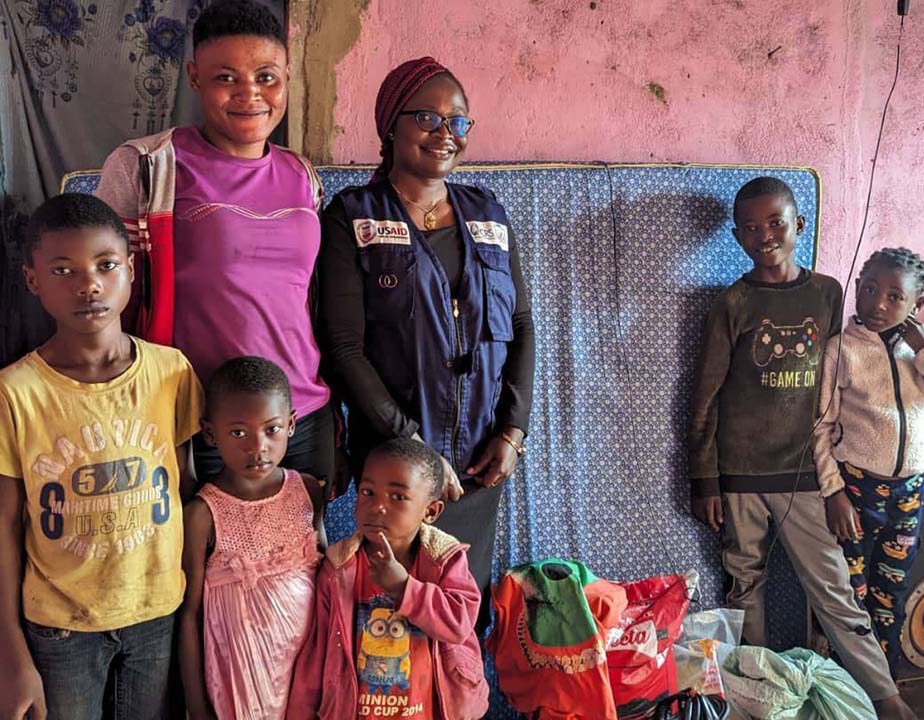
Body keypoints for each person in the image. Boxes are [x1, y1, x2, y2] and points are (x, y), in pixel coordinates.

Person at [687, 177, 916, 719]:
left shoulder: (829, 294)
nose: (763, 235)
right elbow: (705, 396)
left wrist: (836, 478)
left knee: (833, 588)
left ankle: (886, 696)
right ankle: (764, 697)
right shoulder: (733, 302)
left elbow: (841, 381)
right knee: (745, 588)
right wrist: (705, 479)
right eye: (749, 228)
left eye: (775, 223)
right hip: (740, 476)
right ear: (738, 237)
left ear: (799, 226)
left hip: (808, 475)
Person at [319, 57, 535, 630]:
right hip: (396, 466)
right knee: (390, 618)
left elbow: (521, 324)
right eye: (428, 118)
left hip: (476, 465)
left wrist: (513, 432)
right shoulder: (352, 217)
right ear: (390, 126)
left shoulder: (487, 212)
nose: (446, 135)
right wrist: (413, 448)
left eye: (458, 122)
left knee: (458, 616)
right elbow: (342, 347)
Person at [95, 0, 336, 509]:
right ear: (195, 78)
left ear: (288, 77)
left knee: (296, 576)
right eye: (227, 77)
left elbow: (306, 299)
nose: (250, 94)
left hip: (298, 416)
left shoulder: (303, 176)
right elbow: (102, 300)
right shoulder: (149, 166)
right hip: (199, 419)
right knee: (202, 575)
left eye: (267, 77)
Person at [0, 193, 203, 720]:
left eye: (106, 266)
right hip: (60, 627)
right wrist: (10, 653)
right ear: (32, 280)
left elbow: (184, 487)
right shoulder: (15, 392)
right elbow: (3, 526)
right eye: (63, 269)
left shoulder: (171, 372)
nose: (88, 285)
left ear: (131, 270)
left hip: (157, 613)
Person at [814, 247, 924, 676]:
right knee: (851, 593)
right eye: (871, 290)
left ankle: (885, 682)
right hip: (857, 490)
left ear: (918, 305)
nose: (878, 303)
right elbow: (820, 427)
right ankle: (848, 681)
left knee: (890, 595)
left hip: (910, 493)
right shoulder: (841, 351)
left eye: (895, 296)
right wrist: (833, 491)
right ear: (856, 289)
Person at [287, 438, 488, 719]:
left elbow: (458, 623)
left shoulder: (444, 560)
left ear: (430, 511)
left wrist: (404, 588)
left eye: (397, 497)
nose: (377, 507)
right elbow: (316, 651)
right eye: (368, 492)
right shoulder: (338, 566)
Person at [179, 356, 325, 719]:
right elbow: (189, 615)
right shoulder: (202, 513)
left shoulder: (307, 491)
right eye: (239, 432)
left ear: (292, 425)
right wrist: (195, 706)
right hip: (240, 679)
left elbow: (326, 580)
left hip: (307, 667)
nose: (257, 447)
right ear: (210, 433)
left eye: (272, 429)